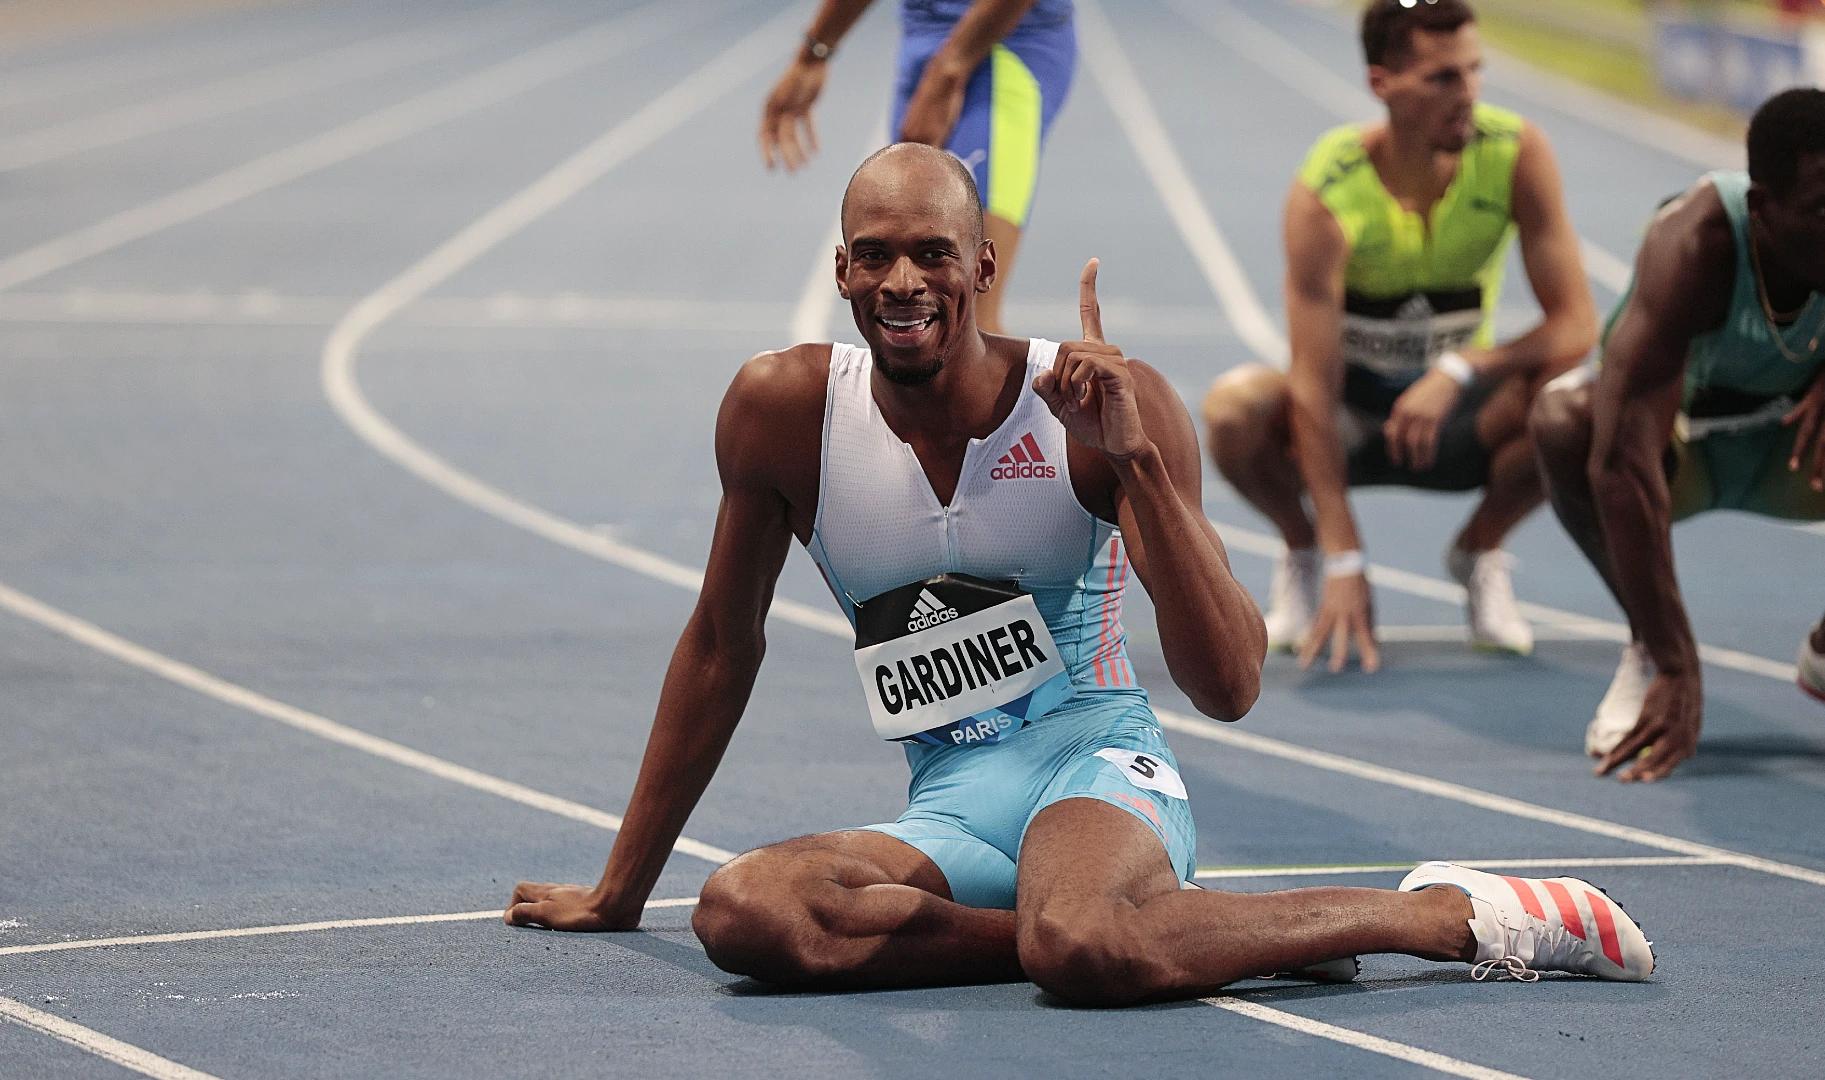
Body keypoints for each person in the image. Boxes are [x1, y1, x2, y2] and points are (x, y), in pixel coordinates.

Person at [500, 143, 1652, 1001]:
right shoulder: (781, 412)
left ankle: (1444, 916)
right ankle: (1184, 932)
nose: (905, 280)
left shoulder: (1104, 404)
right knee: (744, 912)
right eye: (877, 255)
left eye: (934, 253)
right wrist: (620, 887)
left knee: (1086, 947)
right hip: (951, 804)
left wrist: (1136, 464)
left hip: (1099, 766)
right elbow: (720, 643)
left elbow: (1231, 683)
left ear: (983, 267)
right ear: (841, 272)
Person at [1200, 0, 1598, 672]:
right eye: (1442, 78)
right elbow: (1313, 384)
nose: (1467, 93)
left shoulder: (1513, 152)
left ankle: (1478, 548)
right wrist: (1343, 555)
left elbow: (1576, 323)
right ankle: (1299, 549)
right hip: (1351, 413)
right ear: (1381, 83)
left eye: (1474, 71)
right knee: (1232, 407)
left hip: (1459, 416)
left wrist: (1463, 369)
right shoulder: (1328, 192)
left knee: (1581, 406)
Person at [1531, 88, 1825, 783]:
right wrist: (1676, 657)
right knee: (1565, 424)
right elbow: (1620, 462)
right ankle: (1643, 643)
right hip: (1675, 456)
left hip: (1793, 451)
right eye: (1821, 212)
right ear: (1760, 212)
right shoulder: (1694, 245)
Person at [758, 0, 1076, 334]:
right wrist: (813, 53)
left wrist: (949, 70)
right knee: (914, 315)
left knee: (969, 319)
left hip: (1002, 40)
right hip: (923, 35)